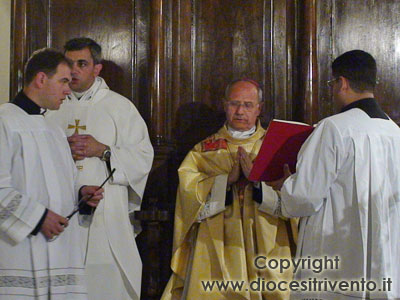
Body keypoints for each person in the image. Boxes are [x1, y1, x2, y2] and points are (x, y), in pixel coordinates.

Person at [264, 50, 400, 299]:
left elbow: (304, 197)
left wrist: (286, 184)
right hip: (385, 259)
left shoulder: (334, 128)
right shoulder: (394, 132)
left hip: (336, 259)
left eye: (332, 83)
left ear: (342, 83)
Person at [161, 79, 297, 300]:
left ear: (259, 109)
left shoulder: (276, 147)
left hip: (266, 238)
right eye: (234, 104)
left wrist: (257, 181)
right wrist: (225, 181)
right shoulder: (203, 151)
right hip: (216, 242)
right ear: (225, 105)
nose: (240, 111)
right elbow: (188, 198)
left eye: (247, 105)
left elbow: (294, 200)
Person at [46, 38, 154, 300]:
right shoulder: (50, 107)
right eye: (69, 64)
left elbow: (143, 157)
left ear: (97, 68)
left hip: (106, 213)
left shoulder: (120, 107)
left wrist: (104, 150)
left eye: (82, 64)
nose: (73, 71)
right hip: (60, 212)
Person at [0, 48, 103, 299]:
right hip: (18, 250)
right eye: (64, 81)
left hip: (59, 251)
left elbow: (60, 184)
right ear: (41, 79)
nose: (68, 90)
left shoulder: (53, 129)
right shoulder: (5, 121)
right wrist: (38, 218)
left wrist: (81, 195)